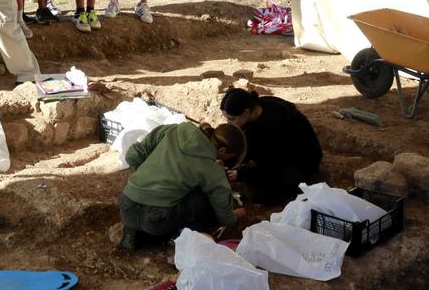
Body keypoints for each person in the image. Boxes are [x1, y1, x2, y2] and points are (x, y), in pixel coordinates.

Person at [117, 122, 246, 251]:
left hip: (127, 205)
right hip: (156, 220)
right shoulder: (212, 170)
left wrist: (150, 175)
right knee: (203, 200)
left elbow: (132, 155)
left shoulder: (173, 130)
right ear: (222, 150)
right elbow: (224, 213)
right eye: (229, 157)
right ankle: (172, 237)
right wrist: (235, 216)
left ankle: (134, 229)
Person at [220, 88, 322, 205]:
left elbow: (272, 166)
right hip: (279, 151)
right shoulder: (257, 106)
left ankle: (308, 179)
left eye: (232, 119)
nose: (228, 123)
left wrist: (241, 174)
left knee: (263, 195)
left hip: (302, 159)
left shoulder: (272, 127)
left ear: (246, 112)